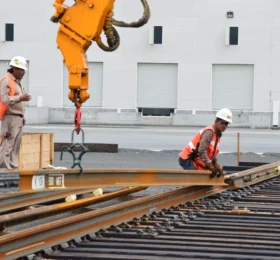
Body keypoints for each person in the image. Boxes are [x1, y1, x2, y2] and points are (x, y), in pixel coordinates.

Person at [179, 108, 233, 178]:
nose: (224, 126)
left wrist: (215, 164)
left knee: (205, 180)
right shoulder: (209, 132)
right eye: (222, 123)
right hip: (188, 158)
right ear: (216, 121)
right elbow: (202, 150)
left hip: (196, 159)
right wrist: (210, 166)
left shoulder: (217, 135)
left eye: (226, 124)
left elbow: (211, 153)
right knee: (199, 179)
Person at [0, 56, 31, 170]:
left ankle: (12, 167)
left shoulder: (17, 82)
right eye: (21, 69)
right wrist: (20, 98)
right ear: (14, 69)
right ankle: (4, 169)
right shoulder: (6, 80)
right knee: (7, 144)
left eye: (23, 70)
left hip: (17, 118)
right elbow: (4, 99)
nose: (23, 72)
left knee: (15, 146)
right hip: (10, 118)